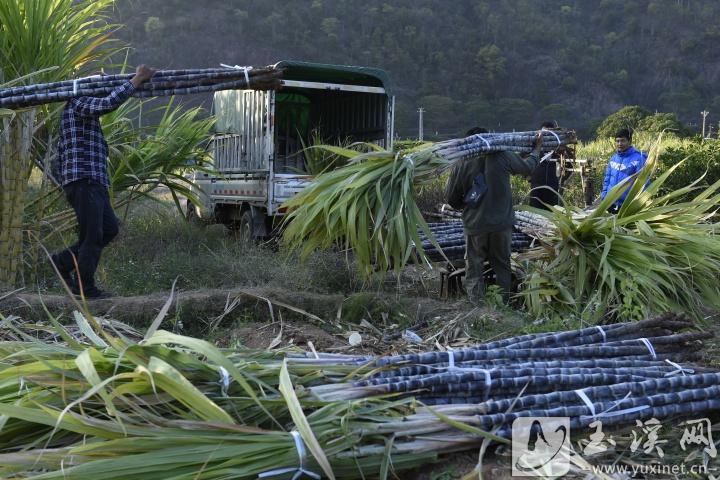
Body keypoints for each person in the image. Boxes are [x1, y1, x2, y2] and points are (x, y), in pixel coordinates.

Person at [51, 64, 155, 298]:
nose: (103, 85)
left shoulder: (82, 109)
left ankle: (62, 261)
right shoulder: (79, 102)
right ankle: (85, 288)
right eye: (101, 82)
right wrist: (137, 79)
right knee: (93, 236)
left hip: (91, 182)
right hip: (84, 180)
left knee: (108, 229)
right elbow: (108, 103)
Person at [446, 129, 543, 305]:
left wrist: (468, 206)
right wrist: (536, 150)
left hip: (475, 225)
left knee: (474, 267)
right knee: (502, 266)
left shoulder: (462, 161)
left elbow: (452, 199)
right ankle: (502, 305)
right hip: (501, 224)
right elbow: (527, 167)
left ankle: (479, 308)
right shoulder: (502, 154)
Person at [600, 128, 647, 213]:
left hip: (627, 205)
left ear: (629, 141)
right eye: (617, 141)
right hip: (610, 203)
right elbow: (607, 178)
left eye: (623, 141)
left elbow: (644, 182)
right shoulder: (614, 158)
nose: (620, 144)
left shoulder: (639, 159)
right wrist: (604, 195)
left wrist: (638, 203)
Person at [528, 121, 561, 210]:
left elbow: (569, 167)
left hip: (552, 189)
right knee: (534, 213)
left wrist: (560, 180)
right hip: (536, 188)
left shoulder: (559, 150)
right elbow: (524, 162)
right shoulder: (533, 148)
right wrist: (529, 177)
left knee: (552, 214)